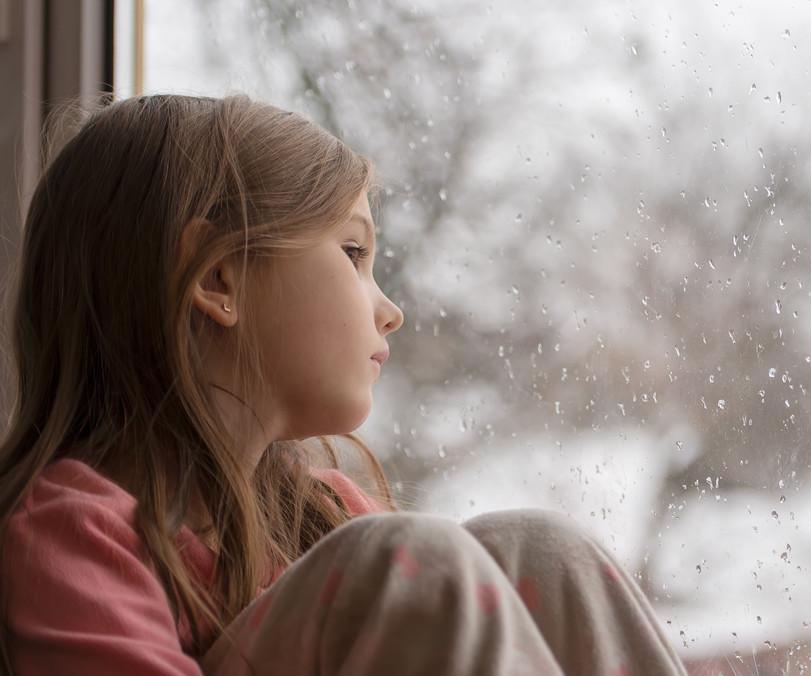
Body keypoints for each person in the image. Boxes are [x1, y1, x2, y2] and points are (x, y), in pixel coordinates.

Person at [0, 94, 687, 676]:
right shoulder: (69, 535)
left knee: (546, 549)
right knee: (408, 562)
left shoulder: (320, 514)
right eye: (354, 254)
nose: (391, 310)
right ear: (217, 279)